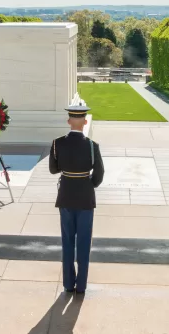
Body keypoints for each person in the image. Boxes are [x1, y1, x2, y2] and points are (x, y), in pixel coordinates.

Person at [49, 103, 105, 295]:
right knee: (83, 243)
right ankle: (81, 285)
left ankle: (68, 284)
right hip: (85, 197)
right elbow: (99, 173)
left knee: (67, 243)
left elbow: (53, 169)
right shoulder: (92, 146)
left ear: (68, 121)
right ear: (85, 121)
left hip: (65, 196)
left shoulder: (57, 143)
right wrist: (89, 183)